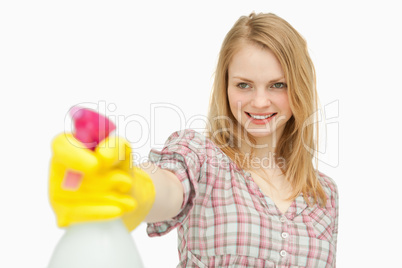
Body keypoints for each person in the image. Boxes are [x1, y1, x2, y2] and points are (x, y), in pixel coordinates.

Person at [49, 12, 338, 267]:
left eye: (278, 85)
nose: (260, 101)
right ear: (225, 87)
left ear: (299, 87)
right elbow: (166, 187)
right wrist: (129, 187)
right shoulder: (200, 157)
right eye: (244, 85)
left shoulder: (324, 194)